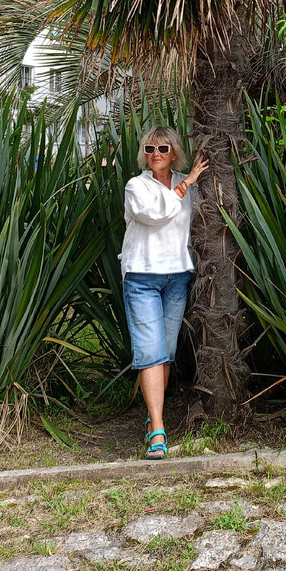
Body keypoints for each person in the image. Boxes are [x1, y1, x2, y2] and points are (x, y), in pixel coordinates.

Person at [120, 125, 209, 459]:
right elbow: (155, 216)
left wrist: (189, 183)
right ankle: (157, 429)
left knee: (165, 350)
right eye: (149, 149)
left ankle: (152, 419)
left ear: (174, 152)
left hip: (177, 277)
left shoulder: (191, 182)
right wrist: (186, 185)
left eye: (163, 148)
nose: (155, 154)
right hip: (142, 276)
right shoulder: (136, 186)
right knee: (150, 351)